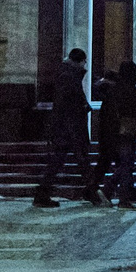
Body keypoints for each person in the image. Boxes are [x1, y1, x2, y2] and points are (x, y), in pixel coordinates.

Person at [31, 47, 95, 207]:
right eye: (84, 62)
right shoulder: (69, 76)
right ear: (79, 61)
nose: (85, 65)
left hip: (65, 127)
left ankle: (42, 195)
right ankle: (92, 193)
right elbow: (69, 103)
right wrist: (83, 107)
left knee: (58, 162)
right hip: (70, 127)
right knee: (79, 160)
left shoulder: (66, 75)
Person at [94, 61, 136, 209]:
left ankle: (113, 192)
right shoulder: (131, 92)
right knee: (126, 165)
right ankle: (119, 197)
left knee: (124, 165)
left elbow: (104, 115)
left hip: (111, 134)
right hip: (125, 134)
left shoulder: (112, 90)